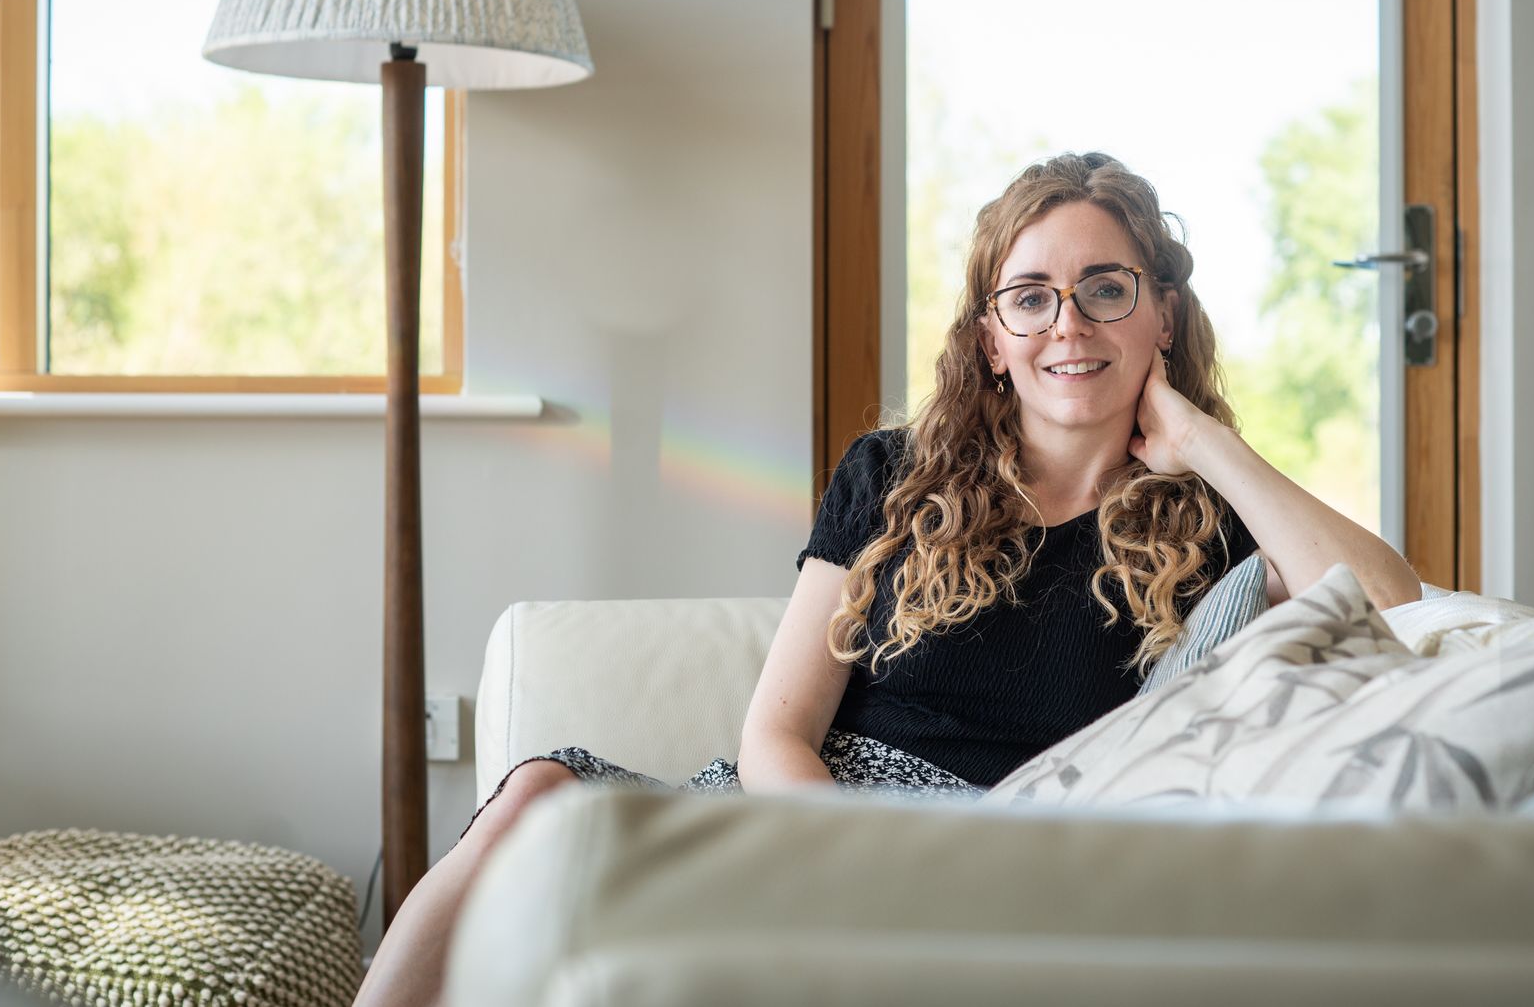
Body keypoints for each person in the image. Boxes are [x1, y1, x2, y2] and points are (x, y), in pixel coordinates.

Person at [353, 152, 1422, 1005]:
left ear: (1164, 315)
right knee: (542, 792)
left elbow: (1397, 604)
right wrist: (841, 857)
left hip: (977, 866)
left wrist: (1203, 441)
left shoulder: (1210, 528)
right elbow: (775, 728)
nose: (1070, 324)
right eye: (1032, 297)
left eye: (1107, 289)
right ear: (992, 340)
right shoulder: (892, 475)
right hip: (799, 821)